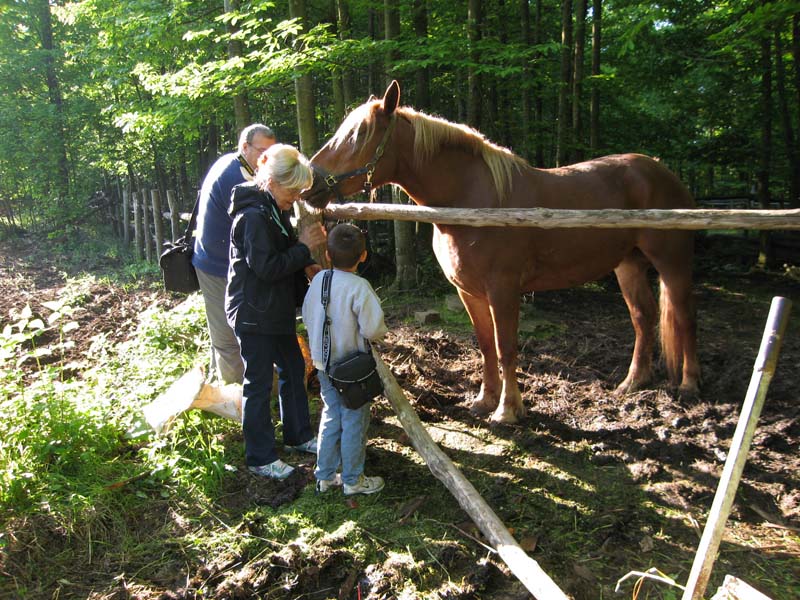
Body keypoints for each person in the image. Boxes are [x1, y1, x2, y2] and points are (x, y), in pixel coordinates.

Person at [226, 144, 327, 479]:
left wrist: (306, 262)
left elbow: (282, 254)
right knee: (257, 382)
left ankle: (298, 436)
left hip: (274, 308)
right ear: (271, 180)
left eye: (300, 191)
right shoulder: (253, 216)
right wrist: (304, 248)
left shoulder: (273, 208)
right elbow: (267, 268)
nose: (296, 197)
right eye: (293, 189)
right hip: (253, 312)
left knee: (293, 367)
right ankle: (260, 456)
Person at [302, 224, 388, 495]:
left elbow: (307, 314)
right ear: (363, 256)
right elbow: (374, 329)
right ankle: (353, 480)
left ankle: (325, 477)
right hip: (352, 369)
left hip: (323, 365)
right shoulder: (359, 286)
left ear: (327, 254)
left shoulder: (319, 280)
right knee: (353, 419)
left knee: (330, 414)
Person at [193, 124, 277, 384]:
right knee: (227, 336)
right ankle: (237, 403)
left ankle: (233, 384)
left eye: (272, 154)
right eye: (262, 152)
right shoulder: (235, 177)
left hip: (224, 260)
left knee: (232, 325)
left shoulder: (238, 166)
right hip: (215, 264)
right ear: (245, 147)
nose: (267, 160)